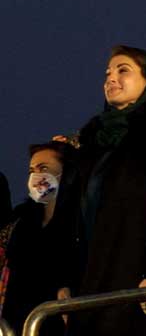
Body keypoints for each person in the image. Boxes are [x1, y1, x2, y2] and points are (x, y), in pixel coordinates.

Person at [66, 45, 146, 336]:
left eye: (123, 70)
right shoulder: (94, 142)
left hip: (134, 273)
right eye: (108, 73)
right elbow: (76, 214)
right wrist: (66, 280)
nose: (111, 78)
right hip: (88, 278)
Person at [0, 142, 81, 336]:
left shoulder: (79, 218)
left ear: (67, 171)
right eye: (31, 170)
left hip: (58, 322)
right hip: (18, 321)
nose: (36, 176)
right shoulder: (22, 220)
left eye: (43, 168)